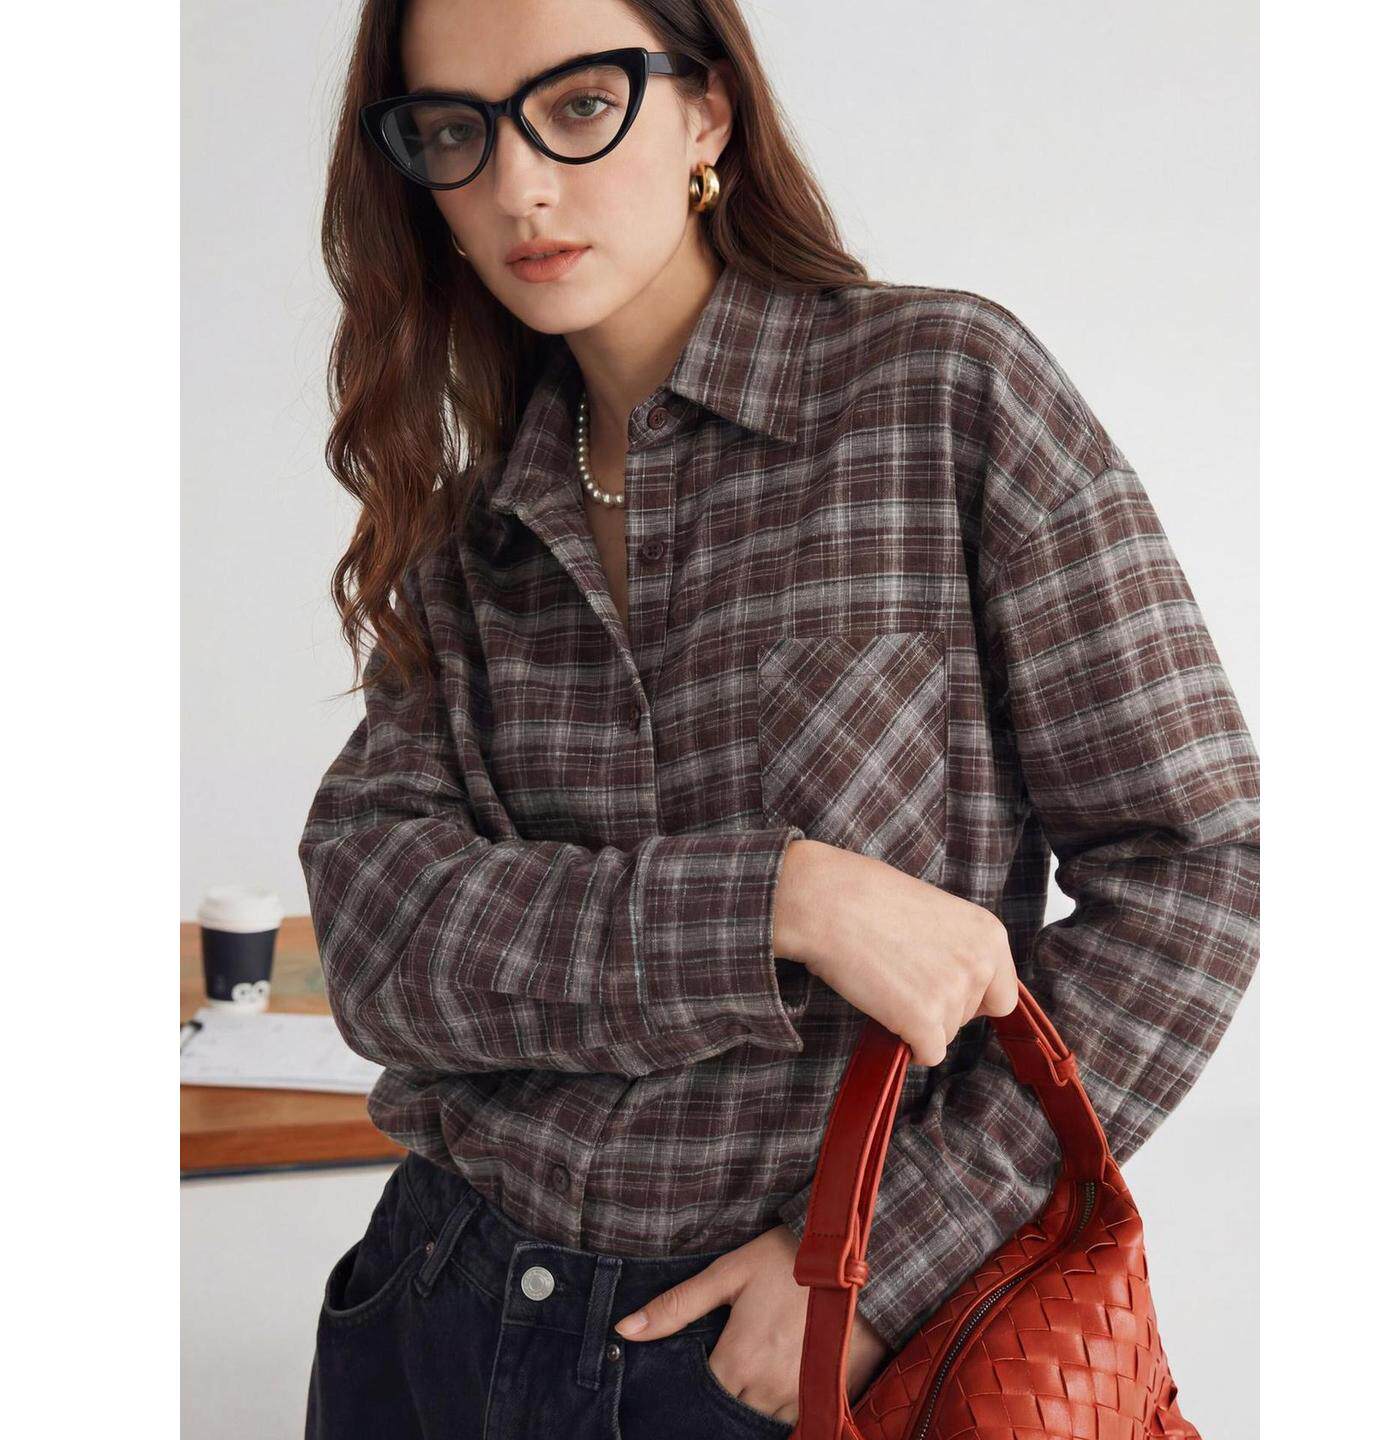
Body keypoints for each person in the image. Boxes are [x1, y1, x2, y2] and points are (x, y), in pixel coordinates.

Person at [297, 1, 1261, 1436]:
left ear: (708, 112)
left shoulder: (940, 393)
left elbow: (1198, 870)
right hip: (438, 1312)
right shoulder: (471, 518)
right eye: (455, 131)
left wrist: (879, 1264)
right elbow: (380, 946)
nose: (519, 187)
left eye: (579, 106)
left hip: (787, 1359)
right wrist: (782, 902)